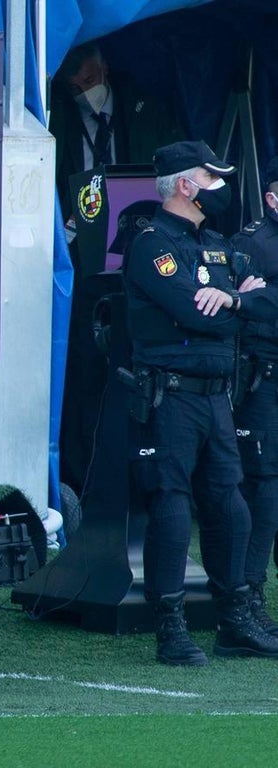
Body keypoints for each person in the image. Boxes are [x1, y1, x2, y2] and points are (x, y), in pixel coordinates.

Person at [124, 141, 278, 666]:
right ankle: (170, 628)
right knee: (171, 508)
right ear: (185, 185)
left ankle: (234, 622)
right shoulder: (150, 244)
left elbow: (266, 303)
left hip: (217, 398)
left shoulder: (216, 243)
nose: (220, 187)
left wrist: (235, 299)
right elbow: (195, 314)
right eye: (211, 178)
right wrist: (243, 304)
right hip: (170, 396)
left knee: (230, 506)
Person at [49, 43, 184, 236]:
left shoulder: (144, 111)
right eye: (75, 88)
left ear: (104, 67)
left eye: (89, 80)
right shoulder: (59, 119)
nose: (84, 92)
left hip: (135, 219)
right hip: (80, 223)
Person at [230, 156, 278, 637]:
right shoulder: (253, 243)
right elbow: (233, 306)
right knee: (263, 488)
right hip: (263, 378)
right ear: (272, 199)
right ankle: (248, 597)